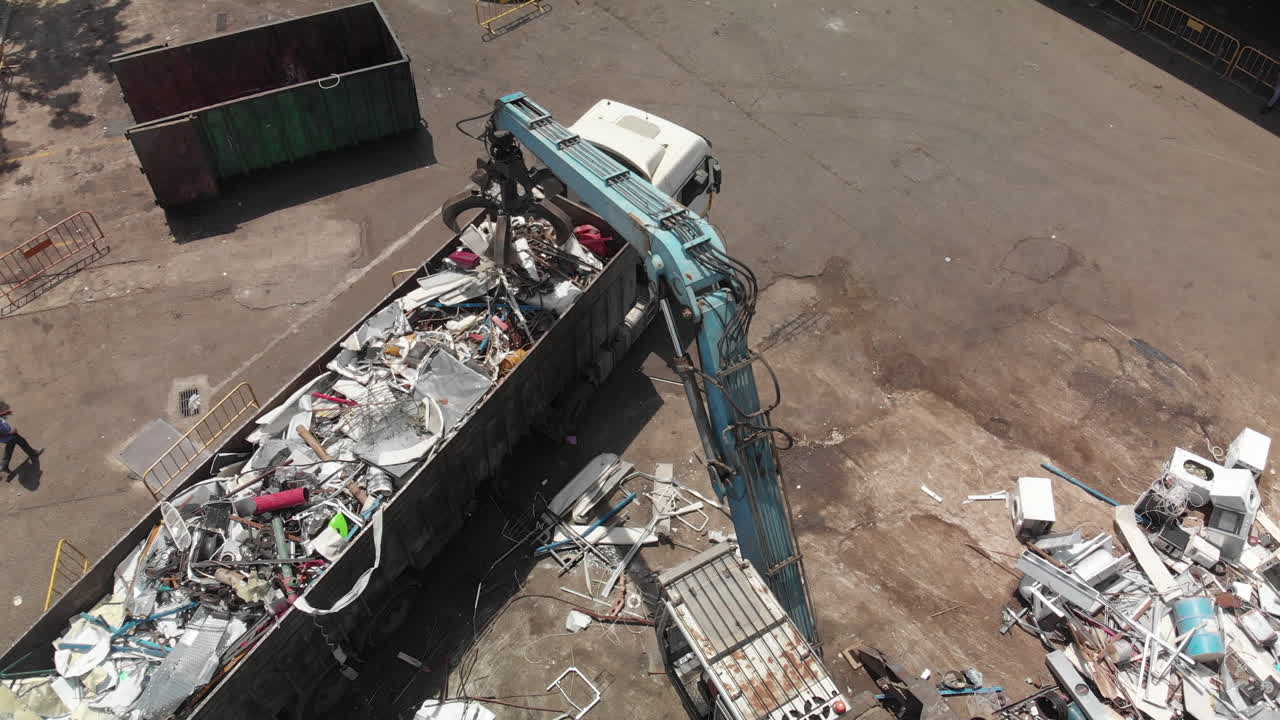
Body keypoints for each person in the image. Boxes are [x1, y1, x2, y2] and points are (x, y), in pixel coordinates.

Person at [0, 407, 40, 477]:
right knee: (22, 442)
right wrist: (10, 432)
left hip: (8, 437)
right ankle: (33, 453)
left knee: (9, 449)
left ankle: (4, 465)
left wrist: (4, 413)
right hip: (9, 436)